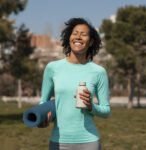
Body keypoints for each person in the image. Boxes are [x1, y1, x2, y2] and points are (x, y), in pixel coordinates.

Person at [38, 18, 110, 150]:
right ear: (69, 38)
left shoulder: (98, 72)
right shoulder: (52, 68)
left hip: (89, 142)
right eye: (75, 33)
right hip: (58, 141)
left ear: (91, 41)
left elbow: (106, 111)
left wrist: (90, 106)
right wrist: (43, 118)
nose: (78, 37)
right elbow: (44, 102)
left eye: (84, 34)